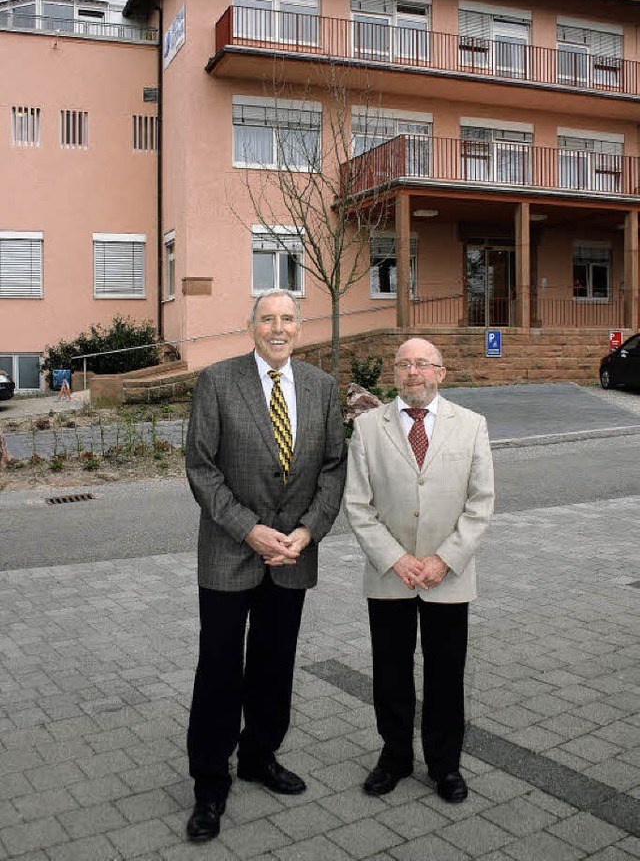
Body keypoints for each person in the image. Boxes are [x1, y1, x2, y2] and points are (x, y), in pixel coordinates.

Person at [184, 289, 346, 842]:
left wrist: (305, 531)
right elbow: (201, 469)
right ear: (250, 325)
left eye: (287, 320)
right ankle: (210, 784)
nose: (278, 328)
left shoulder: (322, 388)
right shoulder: (218, 382)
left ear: (299, 327)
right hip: (231, 550)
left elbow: (333, 470)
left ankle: (259, 756)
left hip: (292, 555)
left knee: (275, 665)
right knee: (219, 669)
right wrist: (248, 529)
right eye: (267, 319)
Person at [344, 337, 494, 803]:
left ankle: (445, 765)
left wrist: (443, 560)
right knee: (389, 673)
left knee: (447, 675)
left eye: (423, 364)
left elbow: (480, 503)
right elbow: (358, 504)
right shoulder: (369, 427)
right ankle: (394, 757)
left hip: (447, 577)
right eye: (404, 364)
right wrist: (396, 559)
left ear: (441, 373)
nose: (413, 372)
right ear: (394, 373)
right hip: (390, 574)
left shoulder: (470, 425)